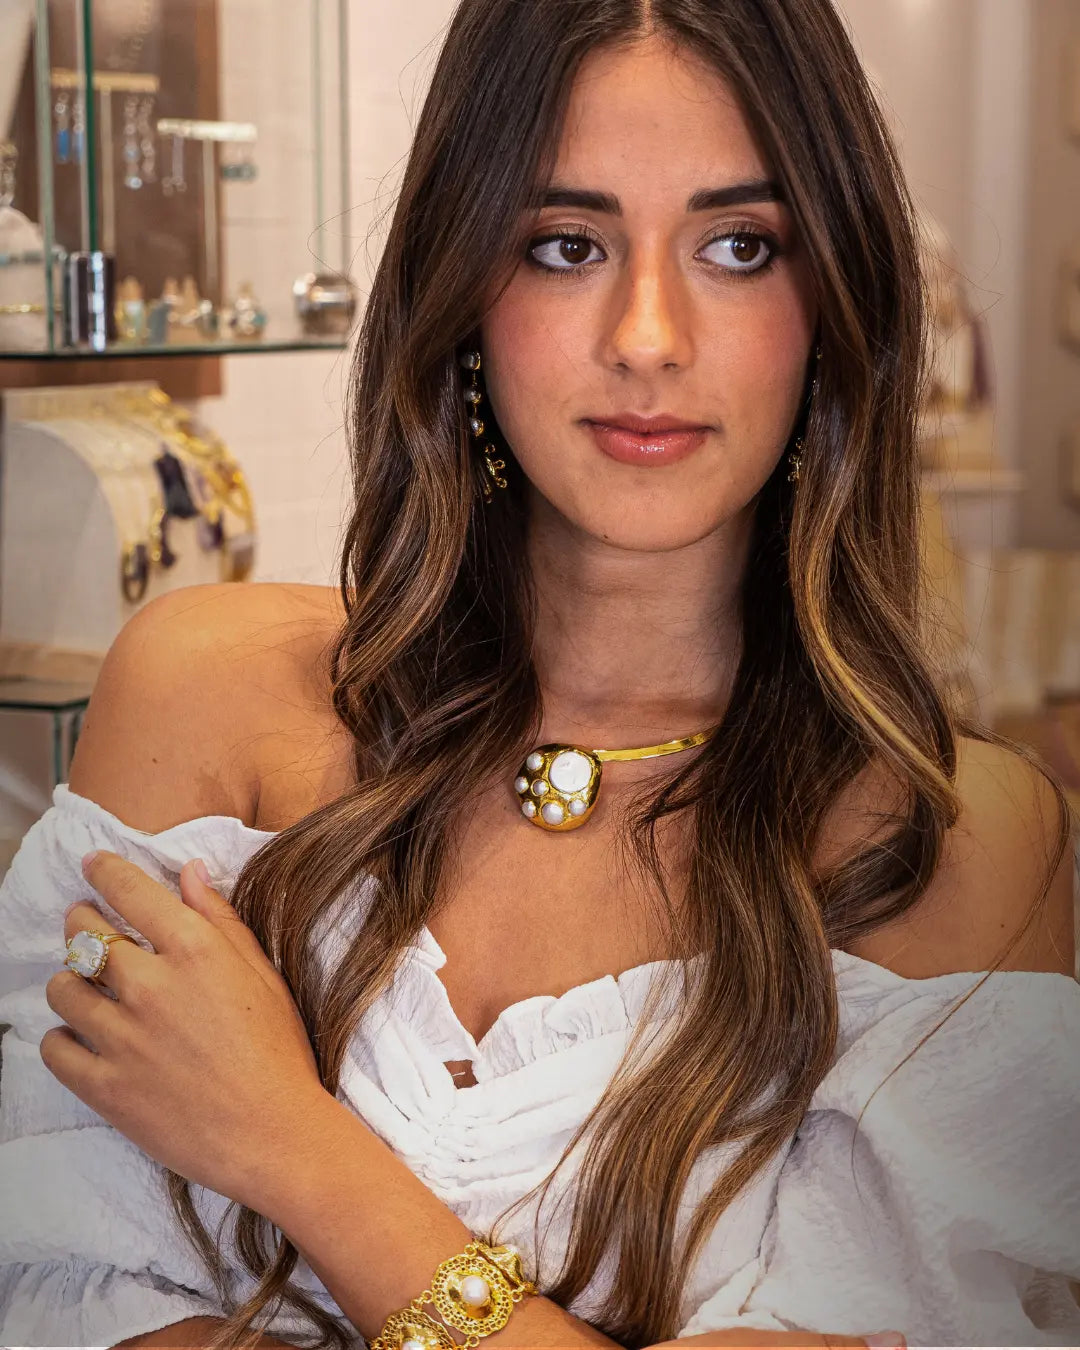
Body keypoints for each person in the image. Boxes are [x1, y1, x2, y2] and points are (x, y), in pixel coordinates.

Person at [1, 1, 1078, 1348]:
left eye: (739, 246)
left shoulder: (955, 845)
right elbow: (56, 1300)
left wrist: (291, 1145)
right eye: (567, 245)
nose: (648, 335)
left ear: (833, 308)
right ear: (463, 291)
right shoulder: (205, 697)